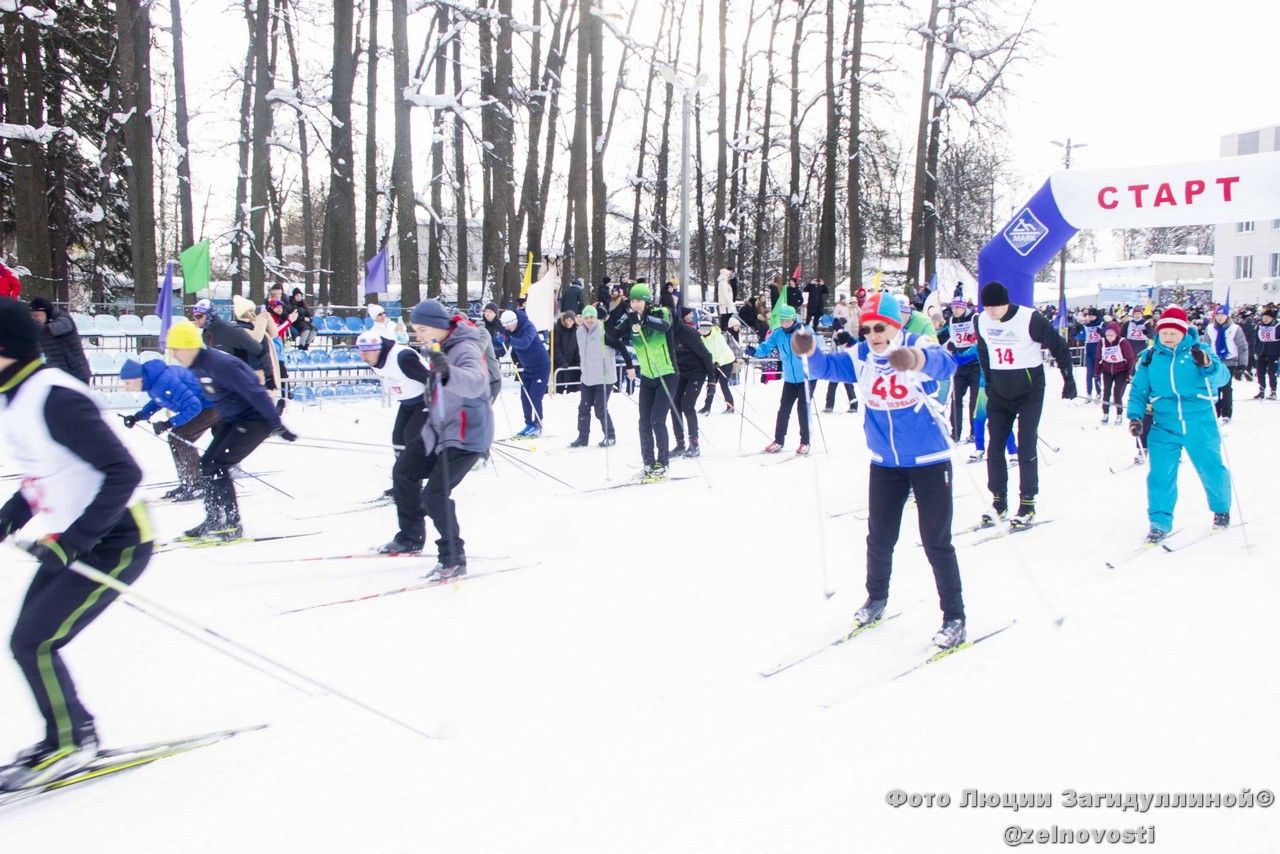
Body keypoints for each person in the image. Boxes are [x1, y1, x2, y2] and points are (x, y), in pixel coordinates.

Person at [0, 298, 153, 790]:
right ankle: (66, 734)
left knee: (35, 640)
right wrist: (8, 517)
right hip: (74, 540)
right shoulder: (17, 397)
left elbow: (124, 472)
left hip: (117, 541)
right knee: (28, 641)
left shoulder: (53, 396)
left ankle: (73, 741)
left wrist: (76, 541)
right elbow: (46, 472)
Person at [790, 292, 967, 650]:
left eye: (881, 328)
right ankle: (876, 598)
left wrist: (914, 359)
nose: (874, 335)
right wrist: (807, 348)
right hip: (885, 463)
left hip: (928, 460)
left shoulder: (917, 342)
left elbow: (945, 364)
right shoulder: (861, 356)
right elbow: (826, 367)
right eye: (868, 328)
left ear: (896, 326)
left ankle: (954, 616)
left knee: (936, 541)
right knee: (880, 538)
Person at [167, 320, 297, 541]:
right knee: (207, 463)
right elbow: (220, 396)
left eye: (177, 350)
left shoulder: (219, 364)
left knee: (218, 465)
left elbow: (256, 392)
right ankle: (215, 518)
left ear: (189, 346)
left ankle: (231, 523)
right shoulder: (199, 366)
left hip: (256, 418)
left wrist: (276, 424)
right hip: (236, 418)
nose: (176, 356)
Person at [402, 299, 495, 579]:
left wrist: (446, 371)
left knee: (434, 495)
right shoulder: (441, 346)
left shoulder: (465, 346)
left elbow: (476, 381)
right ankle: (409, 536)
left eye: (420, 329)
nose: (417, 335)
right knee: (405, 472)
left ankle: (452, 557)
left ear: (435, 326)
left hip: (467, 434)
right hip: (443, 429)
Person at [1125, 306, 1232, 542]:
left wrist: (1208, 365)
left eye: (1173, 332)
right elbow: (1139, 390)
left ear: (1183, 332)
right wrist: (1135, 416)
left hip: (1200, 421)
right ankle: (1159, 522)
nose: (1168, 336)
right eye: (1164, 332)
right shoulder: (1149, 358)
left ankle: (1221, 509)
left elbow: (1223, 378)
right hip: (1165, 423)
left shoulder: (1199, 351)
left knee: (1211, 468)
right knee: (1160, 475)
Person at [975, 281, 1076, 527]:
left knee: (1026, 442)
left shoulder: (1029, 319)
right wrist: (989, 382)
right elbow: (984, 351)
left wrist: (1068, 379)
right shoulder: (981, 321)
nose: (992, 312)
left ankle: (1027, 502)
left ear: (1006, 303)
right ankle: (999, 501)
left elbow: (1059, 346)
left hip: (1029, 390)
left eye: (996, 307)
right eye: (987, 307)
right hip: (999, 391)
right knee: (995, 446)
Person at [118, 357, 218, 502]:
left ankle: (197, 484)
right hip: (204, 405)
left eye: (127, 383)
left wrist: (168, 423)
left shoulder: (164, 380)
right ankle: (188, 483)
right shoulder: (153, 382)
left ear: (137, 378)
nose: (126, 387)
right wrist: (137, 417)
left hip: (212, 405)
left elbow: (194, 406)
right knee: (176, 437)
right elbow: (158, 401)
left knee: (180, 437)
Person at [610, 283, 676, 480]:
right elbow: (612, 335)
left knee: (657, 419)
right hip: (647, 377)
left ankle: (663, 463)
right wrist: (624, 317)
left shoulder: (661, 311)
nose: (635, 304)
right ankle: (648, 462)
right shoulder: (631, 317)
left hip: (667, 373)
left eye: (639, 300)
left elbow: (665, 325)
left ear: (646, 300)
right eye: (632, 300)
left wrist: (643, 319)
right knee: (644, 422)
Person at [747, 304, 812, 455]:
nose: (783, 324)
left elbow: (816, 346)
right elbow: (766, 347)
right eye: (781, 321)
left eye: (786, 321)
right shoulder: (778, 334)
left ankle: (805, 442)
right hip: (790, 378)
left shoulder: (804, 331)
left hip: (806, 378)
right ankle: (778, 440)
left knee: (802, 409)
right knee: (783, 409)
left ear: (793, 319)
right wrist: (754, 351)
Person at [669, 307, 716, 458]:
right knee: (674, 405)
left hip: (697, 371)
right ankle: (680, 443)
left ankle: (694, 444)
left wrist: (712, 381)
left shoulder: (689, 333)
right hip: (680, 372)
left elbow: (707, 356)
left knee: (687, 405)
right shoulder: (667, 334)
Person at [570, 306, 616, 448]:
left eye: (592, 317)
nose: (589, 320)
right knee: (583, 408)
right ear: (582, 319)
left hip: (604, 377)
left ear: (596, 318)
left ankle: (610, 436)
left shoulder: (604, 330)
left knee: (600, 408)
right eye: (586, 317)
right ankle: (582, 438)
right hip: (588, 377)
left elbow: (617, 344)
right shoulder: (579, 332)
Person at [502, 307, 549, 438]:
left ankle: (538, 424)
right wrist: (498, 341)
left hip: (541, 367)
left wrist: (509, 340)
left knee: (535, 397)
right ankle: (529, 424)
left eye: (508, 325)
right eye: (504, 326)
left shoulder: (528, 326)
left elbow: (524, 343)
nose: (507, 328)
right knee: (525, 397)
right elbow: (502, 346)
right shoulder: (509, 330)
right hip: (528, 368)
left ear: (514, 321)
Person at [940, 298, 980, 442]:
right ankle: (955, 433)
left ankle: (975, 432)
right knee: (956, 399)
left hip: (975, 365)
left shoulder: (975, 318)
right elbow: (941, 336)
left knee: (974, 401)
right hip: (960, 366)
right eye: (954, 308)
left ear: (965, 308)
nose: (956, 310)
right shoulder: (951, 321)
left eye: (959, 308)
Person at [27, 297, 90, 385]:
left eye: (37, 315)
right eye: (32, 316)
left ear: (47, 312)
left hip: (76, 375)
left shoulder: (63, 319)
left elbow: (54, 329)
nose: (35, 319)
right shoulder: (40, 328)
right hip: (57, 376)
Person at [1205, 307, 1248, 423]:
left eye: (1222, 315)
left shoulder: (1235, 329)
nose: (1220, 317)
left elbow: (1242, 347)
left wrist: (1242, 365)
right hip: (1215, 361)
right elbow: (1205, 346)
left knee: (1226, 387)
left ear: (1227, 316)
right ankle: (1215, 411)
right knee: (1215, 387)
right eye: (1217, 315)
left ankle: (1227, 413)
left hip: (1230, 361)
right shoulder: (1209, 328)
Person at [192, 298, 260, 370]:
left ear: (209, 314)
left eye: (199, 316)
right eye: (195, 316)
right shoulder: (205, 334)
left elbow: (257, 348)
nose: (197, 320)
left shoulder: (232, 330)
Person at [1097, 321, 1136, 424]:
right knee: (1106, 392)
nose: (1109, 337)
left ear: (1116, 334)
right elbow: (1098, 358)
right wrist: (1096, 372)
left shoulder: (1123, 342)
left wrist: (1129, 374)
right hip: (1107, 370)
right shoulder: (1102, 342)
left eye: (1111, 335)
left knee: (1117, 393)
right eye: (1107, 335)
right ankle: (1105, 413)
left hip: (1121, 371)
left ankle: (1119, 414)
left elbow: (1130, 359)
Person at [699, 316, 738, 414]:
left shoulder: (718, 337)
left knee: (723, 384)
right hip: (714, 363)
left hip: (726, 361)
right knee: (711, 384)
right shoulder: (701, 338)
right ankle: (707, 407)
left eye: (706, 328)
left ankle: (730, 407)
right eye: (702, 328)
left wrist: (717, 362)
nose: (704, 331)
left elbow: (722, 351)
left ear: (710, 327)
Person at [820, 328, 858, 414]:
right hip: (836, 367)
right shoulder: (837, 340)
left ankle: (854, 405)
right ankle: (829, 406)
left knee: (849, 387)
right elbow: (833, 352)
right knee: (831, 386)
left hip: (847, 369)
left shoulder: (853, 345)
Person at [1253, 305, 1279, 400]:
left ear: (1272, 318)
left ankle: (1273, 391)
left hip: (1273, 354)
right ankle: (1261, 390)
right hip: (1261, 353)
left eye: (1267, 318)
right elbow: (1256, 340)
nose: (1265, 319)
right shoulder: (1259, 326)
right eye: (1264, 317)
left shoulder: (1277, 326)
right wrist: (1256, 351)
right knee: (1260, 373)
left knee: (1272, 373)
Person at [552, 310, 580, 393]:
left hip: (571, 362)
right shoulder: (557, 329)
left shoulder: (576, 331)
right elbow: (555, 347)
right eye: (567, 320)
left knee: (572, 388)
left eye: (571, 320)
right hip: (559, 363)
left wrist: (578, 361)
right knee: (559, 388)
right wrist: (562, 361)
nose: (568, 322)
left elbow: (577, 348)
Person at [1079, 307, 1104, 399]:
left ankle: (1098, 392)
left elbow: (1107, 334)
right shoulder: (1086, 325)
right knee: (1089, 373)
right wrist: (1077, 329)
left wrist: (1102, 332)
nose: (1091, 317)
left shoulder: (1101, 324)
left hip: (1099, 351)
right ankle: (1089, 393)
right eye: (1089, 315)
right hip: (1089, 351)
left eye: (1093, 315)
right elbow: (1080, 336)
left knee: (1097, 373)